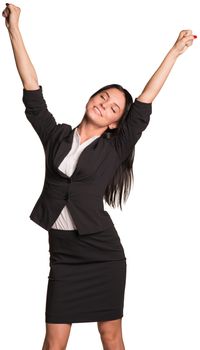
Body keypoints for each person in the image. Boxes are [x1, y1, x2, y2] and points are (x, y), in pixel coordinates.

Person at [2, 3, 197, 350]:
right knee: (54, 341)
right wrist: (13, 28)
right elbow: (31, 88)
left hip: (102, 252)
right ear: (91, 98)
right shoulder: (57, 135)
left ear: (115, 123)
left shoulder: (116, 147)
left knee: (110, 334)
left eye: (113, 108)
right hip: (62, 253)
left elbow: (145, 100)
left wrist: (175, 51)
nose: (104, 105)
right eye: (103, 97)